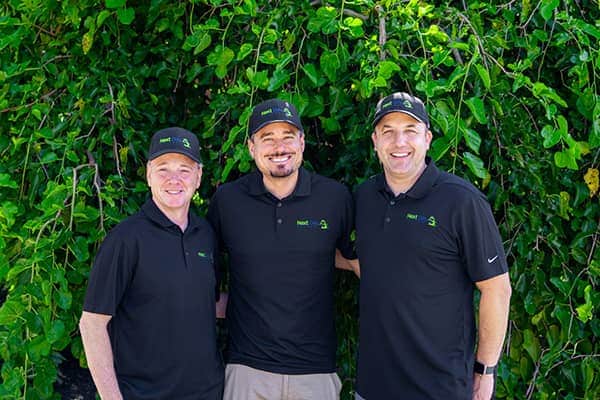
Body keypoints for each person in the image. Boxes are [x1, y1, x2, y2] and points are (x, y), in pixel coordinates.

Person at [353, 92, 512, 400]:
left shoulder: (461, 201)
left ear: (427, 138)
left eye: (410, 131)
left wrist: (486, 369)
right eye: (388, 132)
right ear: (375, 141)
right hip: (373, 387)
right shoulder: (365, 197)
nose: (399, 142)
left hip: (439, 388)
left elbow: (497, 288)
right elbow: (364, 261)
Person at [207, 99, 357, 400]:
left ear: (302, 142)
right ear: (251, 147)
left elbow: (356, 262)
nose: (279, 147)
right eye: (267, 138)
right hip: (248, 370)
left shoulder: (335, 198)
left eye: (288, 136)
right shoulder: (228, 201)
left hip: (315, 372)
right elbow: (200, 266)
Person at [79, 127, 224, 400]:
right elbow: (92, 324)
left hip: (208, 393)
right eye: (162, 169)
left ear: (198, 176)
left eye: (184, 169)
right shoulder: (125, 239)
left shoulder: (205, 234)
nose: (174, 179)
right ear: (148, 175)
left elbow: (210, 302)